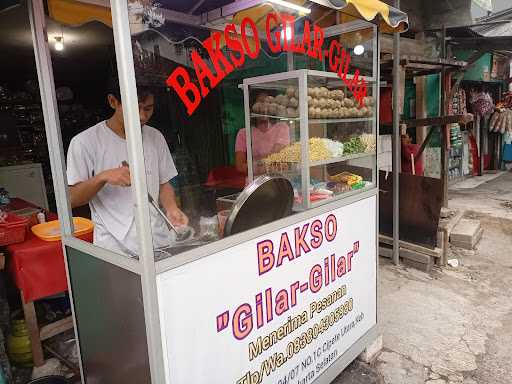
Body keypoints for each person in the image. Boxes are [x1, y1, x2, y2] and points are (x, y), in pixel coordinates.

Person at [66, 79, 188, 256]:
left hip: (157, 240)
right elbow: (73, 198)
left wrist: (172, 208)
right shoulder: (84, 142)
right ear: (113, 102)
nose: (142, 116)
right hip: (115, 248)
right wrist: (103, 177)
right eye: (135, 107)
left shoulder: (155, 137)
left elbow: (163, 183)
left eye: (148, 108)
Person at [235, 92, 291, 175]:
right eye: (260, 103)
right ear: (252, 107)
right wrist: (269, 164)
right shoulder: (243, 133)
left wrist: (255, 163)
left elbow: (279, 159)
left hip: (278, 182)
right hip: (254, 184)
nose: (265, 107)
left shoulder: (282, 128)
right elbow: (240, 167)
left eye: (268, 103)